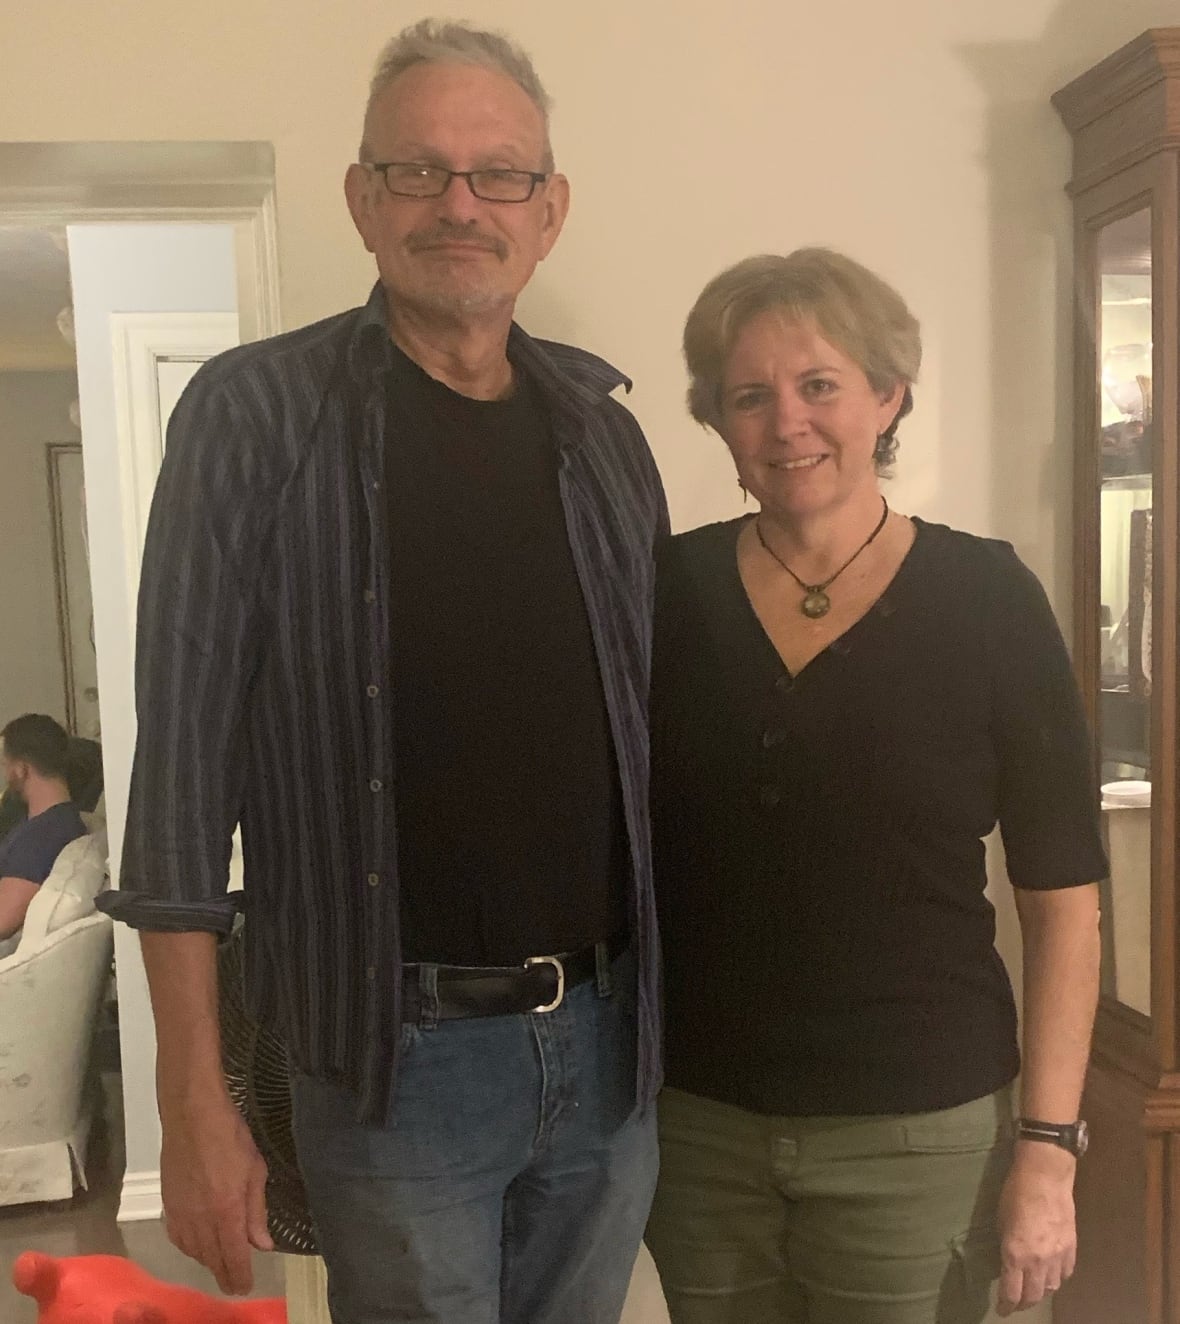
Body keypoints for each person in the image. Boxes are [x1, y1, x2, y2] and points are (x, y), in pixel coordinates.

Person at [97, 18, 667, 1324]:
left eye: (498, 173)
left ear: (550, 209)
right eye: (419, 171)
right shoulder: (253, 418)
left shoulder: (606, 441)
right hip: (390, 1062)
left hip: (608, 1040)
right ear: (363, 200)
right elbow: (182, 778)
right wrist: (193, 1101)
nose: (460, 204)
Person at [645, 248, 1105, 1324]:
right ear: (716, 420)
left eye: (819, 385)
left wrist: (1048, 1147)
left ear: (887, 395)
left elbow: (1063, 900)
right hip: (697, 1128)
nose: (785, 422)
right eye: (748, 396)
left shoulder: (987, 598)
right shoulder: (661, 590)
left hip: (924, 1134)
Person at [0, 713, 88, 942]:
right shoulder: (58, 821)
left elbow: (3, 920)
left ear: (21, 769)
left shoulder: (44, 836)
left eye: (5, 764)